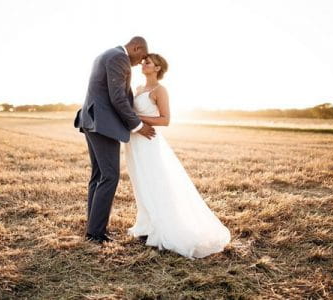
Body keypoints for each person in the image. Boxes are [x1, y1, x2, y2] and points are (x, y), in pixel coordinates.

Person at [125, 53, 231, 258]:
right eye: (144, 61)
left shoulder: (160, 90)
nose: (143, 64)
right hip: (134, 142)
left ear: (157, 68)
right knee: (141, 183)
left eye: (148, 62)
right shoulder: (137, 89)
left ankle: (166, 227)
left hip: (149, 142)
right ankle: (147, 224)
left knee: (156, 182)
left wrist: (135, 118)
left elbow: (165, 120)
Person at [74, 37, 155, 243]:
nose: (139, 63)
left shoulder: (106, 54)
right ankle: (96, 234)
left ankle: (93, 229)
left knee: (99, 175)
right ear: (136, 47)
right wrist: (137, 125)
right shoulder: (119, 58)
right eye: (142, 57)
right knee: (109, 176)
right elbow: (117, 97)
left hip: (92, 120)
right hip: (103, 124)